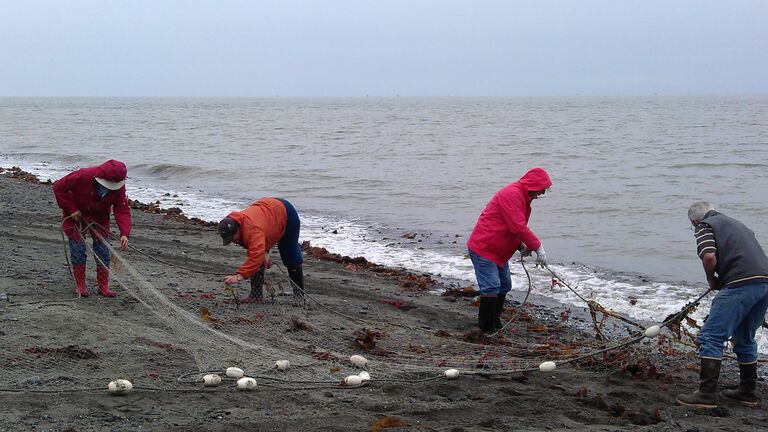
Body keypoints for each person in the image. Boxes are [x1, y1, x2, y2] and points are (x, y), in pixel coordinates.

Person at [677, 201, 768, 408]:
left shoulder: (705, 225)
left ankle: (706, 394)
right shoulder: (739, 225)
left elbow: (709, 256)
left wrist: (711, 279)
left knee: (711, 336)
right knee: (744, 338)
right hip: (764, 283)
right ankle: (747, 392)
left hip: (740, 284)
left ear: (694, 221)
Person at [467, 167, 552, 333]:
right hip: (484, 247)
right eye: (542, 189)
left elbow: (508, 225)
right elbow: (518, 226)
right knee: (491, 286)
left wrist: (521, 245)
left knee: (504, 285)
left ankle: (495, 321)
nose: (542, 193)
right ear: (533, 185)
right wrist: (538, 247)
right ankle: (486, 327)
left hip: (498, 251)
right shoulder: (512, 194)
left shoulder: (521, 196)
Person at [53, 160, 131, 297]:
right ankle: (80, 286)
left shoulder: (119, 186)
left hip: (100, 218)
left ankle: (103, 287)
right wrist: (71, 209)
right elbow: (59, 187)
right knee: (78, 249)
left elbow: (121, 209)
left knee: (103, 250)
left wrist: (124, 233)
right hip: (76, 216)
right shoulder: (83, 175)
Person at [219, 197, 304, 302]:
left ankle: (299, 296)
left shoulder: (253, 230)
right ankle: (256, 296)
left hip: (286, 213)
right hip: (267, 215)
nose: (232, 241)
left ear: (237, 230)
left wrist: (239, 276)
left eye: (232, 238)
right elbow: (254, 248)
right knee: (259, 255)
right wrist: (263, 252)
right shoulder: (232, 222)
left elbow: (255, 256)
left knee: (290, 257)